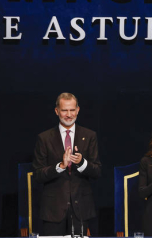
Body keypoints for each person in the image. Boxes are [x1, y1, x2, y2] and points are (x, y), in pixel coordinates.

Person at [33, 92, 101, 236]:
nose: (69, 114)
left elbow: (97, 171)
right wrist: (60, 167)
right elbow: (38, 175)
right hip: (53, 209)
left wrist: (82, 163)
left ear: (78, 110)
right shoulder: (44, 138)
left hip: (81, 209)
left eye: (72, 110)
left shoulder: (89, 136)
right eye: (64, 110)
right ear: (57, 111)